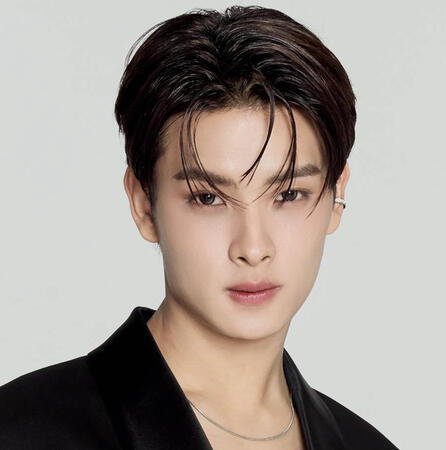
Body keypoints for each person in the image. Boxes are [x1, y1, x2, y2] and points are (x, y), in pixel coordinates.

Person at [0, 5, 399, 449]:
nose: (253, 247)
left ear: (336, 195)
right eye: (208, 198)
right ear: (143, 203)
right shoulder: (22, 431)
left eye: (288, 194)